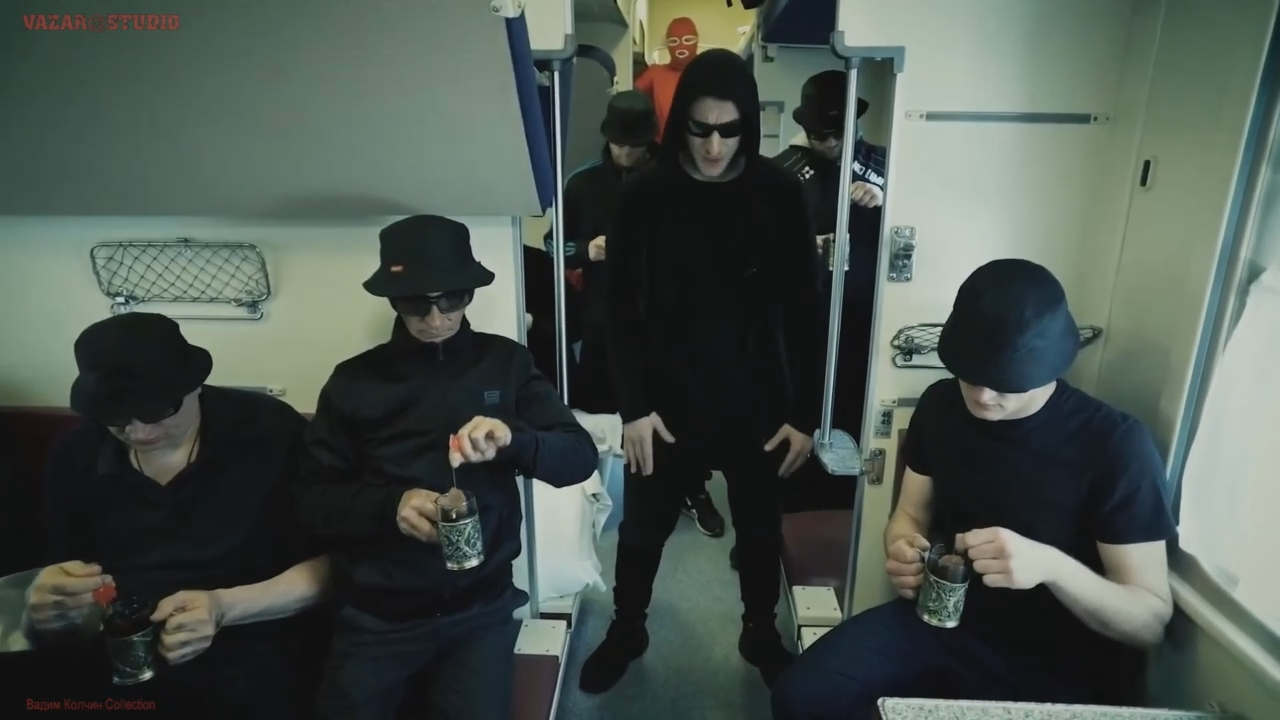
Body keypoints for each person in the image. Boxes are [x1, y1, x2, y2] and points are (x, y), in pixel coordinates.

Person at [770, 259, 1177, 719]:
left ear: (1049, 367)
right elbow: (910, 515)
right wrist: (902, 548)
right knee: (801, 698)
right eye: (971, 375)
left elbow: (1148, 621)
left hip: (1060, 662)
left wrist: (1052, 567)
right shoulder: (940, 404)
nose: (983, 396)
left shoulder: (1117, 445)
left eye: (1006, 383)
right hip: (942, 622)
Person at [578, 49, 824, 695]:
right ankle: (627, 628)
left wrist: (807, 415)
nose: (714, 146)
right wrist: (633, 407)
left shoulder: (778, 192)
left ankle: (759, 631)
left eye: (729, 130)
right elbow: (619, 310)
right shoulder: (645, 194)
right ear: (681, 121)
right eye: (700, 129)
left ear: (749, 125)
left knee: (760, 529)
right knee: (642, 530)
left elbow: (806, 310)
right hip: (665, 399)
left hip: (758, 398)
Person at [297, 215, 599, 720]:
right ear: (393, 300)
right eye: (416, 303)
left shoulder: (505, 363)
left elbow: (578, 457)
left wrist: (513, 439)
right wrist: (389, 507)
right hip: (378, 616)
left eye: (452, 299)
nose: (436, 319)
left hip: (478, 612)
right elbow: (310, 499)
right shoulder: (353, 383)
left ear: (469, 293)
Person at [23, 312, 329, 718]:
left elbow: (334, 566)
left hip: (255, 637)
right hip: (126, 650)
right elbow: (76, 582)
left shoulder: (268, 430)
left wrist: (223, 607)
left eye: (157, 411)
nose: (140, 433)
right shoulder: (76, 453)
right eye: (117, 418)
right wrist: (56, 610)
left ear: (194, 385)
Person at [546, 89, 727, 538]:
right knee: (597, 412)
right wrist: (585, 250)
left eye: (636, 145)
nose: (626, 153)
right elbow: (552, 245)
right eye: (619, 144)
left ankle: (690, 488)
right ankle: (593, 495)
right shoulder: (581, 182)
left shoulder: (681, 175)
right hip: (603, 321)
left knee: (680, 414)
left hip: (671, 322)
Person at [636, 16, 700, 143]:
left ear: (696, 41)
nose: (681, 46)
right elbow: (630, 96)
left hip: (699, 146)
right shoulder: (655, 72)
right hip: (663, 147)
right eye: (673, 41)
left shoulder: (707, 70)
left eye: (688, 40)